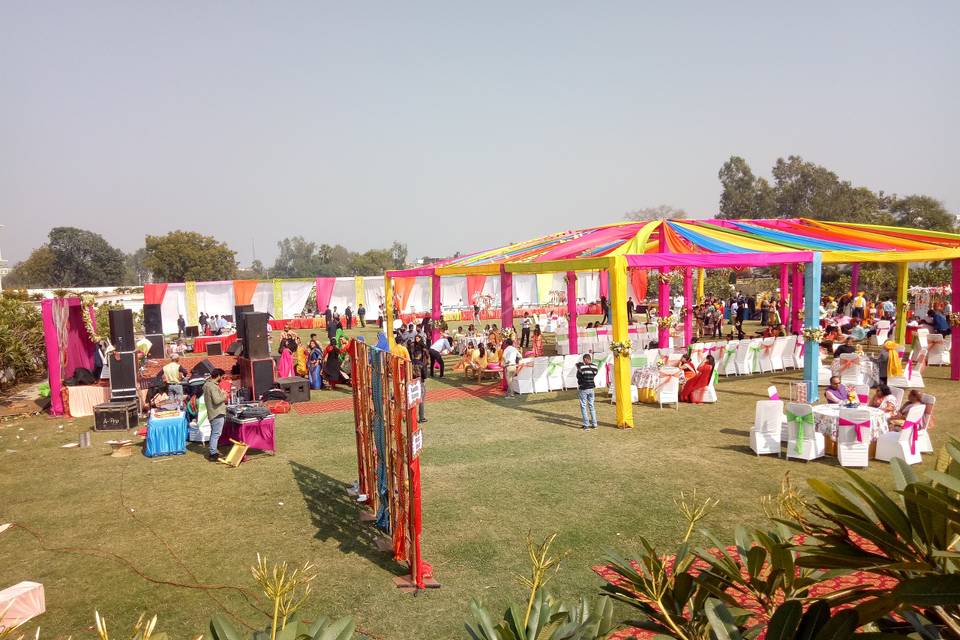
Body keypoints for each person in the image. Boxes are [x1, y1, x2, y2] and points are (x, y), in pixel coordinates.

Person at [203, 368, 227, 461]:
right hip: (217, 412)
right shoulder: (212, 386)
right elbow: (217, 400)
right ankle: (213, 454)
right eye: (222, 377)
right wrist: (224, 395)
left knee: (215, 433)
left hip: (213, 412)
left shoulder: (207, 384)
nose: (222, 379)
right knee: (216, 434)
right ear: (218, 376)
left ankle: (213, 451)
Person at [575, 354, 598, 430]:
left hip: (584, 388)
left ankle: (586, 425)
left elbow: (578, 377)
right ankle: (594, 424)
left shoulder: (582, 367)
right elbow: (594, 375)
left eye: (583, 360)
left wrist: (578, 369)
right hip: (591, 388)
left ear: (585, 359)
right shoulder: (595, 367)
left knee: (583, 406)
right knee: (591, 406)